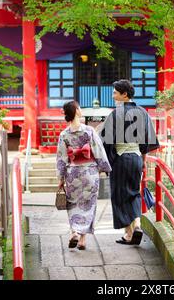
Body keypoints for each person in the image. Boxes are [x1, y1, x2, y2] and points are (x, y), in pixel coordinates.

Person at [99, 79, 160, 245]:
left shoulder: (115, 114)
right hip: (135, 158)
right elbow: (147, 142)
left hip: (120, 159)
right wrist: (143, 161)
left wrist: (104, 163)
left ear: (124, 94)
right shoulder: (142, 112)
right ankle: (138, 225)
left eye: (115, 93)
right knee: (133, 193)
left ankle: (128, 233)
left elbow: (104, 142)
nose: (113, 96)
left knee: (119, 195)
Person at [56, 100, 112, 250]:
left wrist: (60, 178)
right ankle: (82, 239)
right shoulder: (89, 131)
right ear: (76, 111)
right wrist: (104, 168)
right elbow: (98, 150)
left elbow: (61, 158)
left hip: (72, 173)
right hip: (89, 172)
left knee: (73, 203)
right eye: (79, 108)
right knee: (88, 204)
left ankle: (74, 231)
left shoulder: (64, 134)